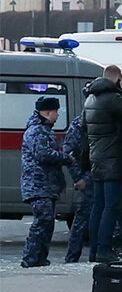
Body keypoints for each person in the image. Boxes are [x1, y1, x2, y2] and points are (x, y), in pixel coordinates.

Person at [83, 65, 122, 263]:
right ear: (118, 80)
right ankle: (104, 249)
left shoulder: (90, 99)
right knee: (112, 206)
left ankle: (94, 250)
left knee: (98, 206)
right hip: (114, 160)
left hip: (96, 158)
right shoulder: (113, 99)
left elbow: (83, 127)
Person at [20, 96, 75, 268]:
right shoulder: (37, 130)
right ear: (48, 112)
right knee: (42, 221)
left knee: (47, 222)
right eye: (56, 111)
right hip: (38, 185)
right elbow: (43, 155)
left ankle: (39, 258)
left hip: (45, 185)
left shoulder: (43, 129)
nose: (58, 115)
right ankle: (30, 258)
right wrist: (67, 158)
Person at [63, 99, 92, 264]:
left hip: (100, 174)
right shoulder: (80, 124)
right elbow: (69, 153)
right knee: (82, 219)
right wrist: (79, 178)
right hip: (90, 176)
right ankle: (72, 257)